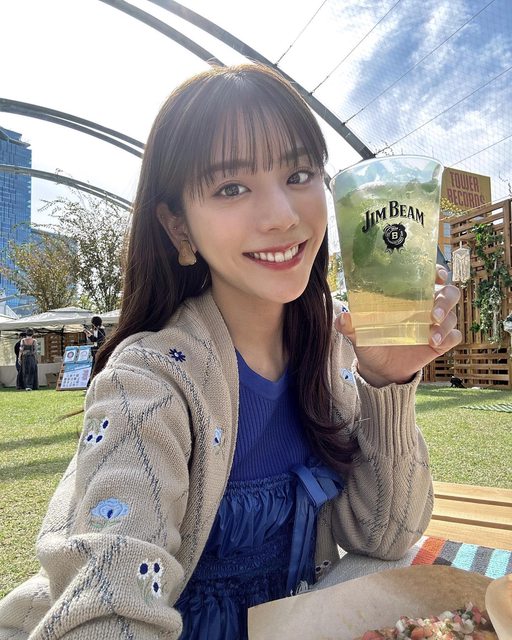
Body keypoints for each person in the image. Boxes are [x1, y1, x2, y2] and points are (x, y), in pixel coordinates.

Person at [0, 64, 461, 639]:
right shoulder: (148, 381)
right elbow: (110, 598)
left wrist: (386, 378)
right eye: (231, 188)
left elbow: (385, 536)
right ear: (178, 227)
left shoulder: (333, 353)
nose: (283, 216)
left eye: (298, 174)